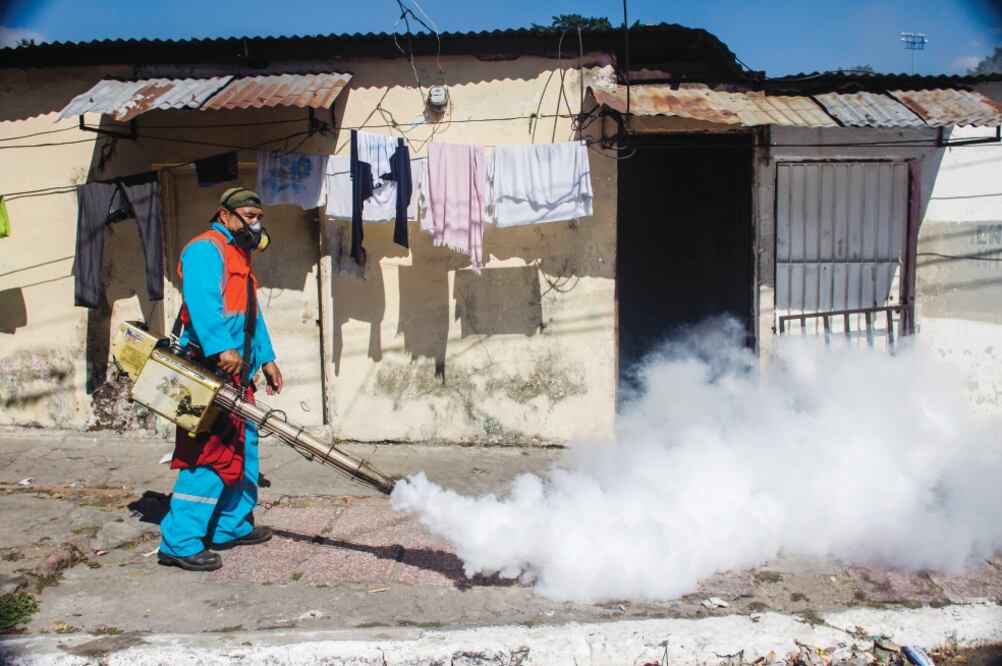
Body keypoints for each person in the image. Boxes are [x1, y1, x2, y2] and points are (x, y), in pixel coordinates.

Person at [157, 187, 284, 572]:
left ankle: (231, 525)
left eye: (257, 216)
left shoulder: (240, 256)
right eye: (247, 215)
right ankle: (179, 542)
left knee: (245, 450)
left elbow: (250, 318)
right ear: (224, 215)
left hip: (237, 373)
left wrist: (267, 359)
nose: (254, 223)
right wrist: (219, 347)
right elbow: (201, 303)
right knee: (208, 456)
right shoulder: (204, 249)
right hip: (208, 370)